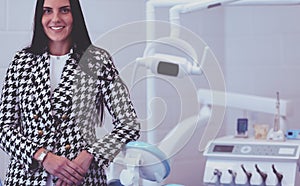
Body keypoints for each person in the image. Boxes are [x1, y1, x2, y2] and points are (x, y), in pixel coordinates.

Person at [0, 0, 140, 185]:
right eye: (47, 11)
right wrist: (43, 156)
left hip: (81, 177)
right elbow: (4, 127)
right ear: (39, 17)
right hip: (26, 178)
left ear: (75, 15)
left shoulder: (96, 60)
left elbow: (129, 123)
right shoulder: (22, 61)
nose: (55, 19)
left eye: (64, 10)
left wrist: (91, 154)